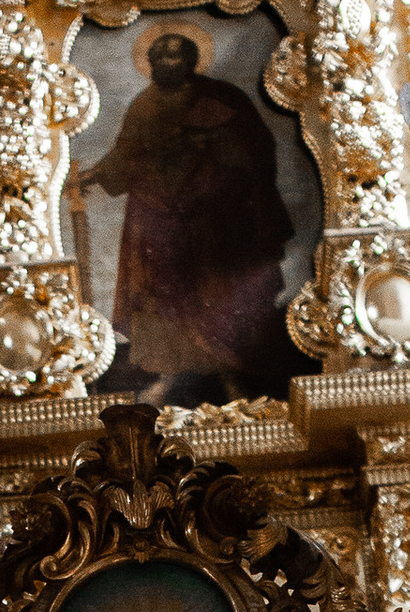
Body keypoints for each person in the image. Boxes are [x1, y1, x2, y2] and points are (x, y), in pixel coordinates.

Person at [82, 31, 297, 406]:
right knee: (160, 296)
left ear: (192, 60)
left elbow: (255, 149)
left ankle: (232, 377)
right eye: (159, 57)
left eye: (174, 57)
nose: (166, 64)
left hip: (213, 218)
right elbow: (124, 155)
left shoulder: (221, 98)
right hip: (157, 216)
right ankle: (168, 376)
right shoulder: (143, 105)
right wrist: (94, 174)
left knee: (216, 294)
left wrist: (215, 150)